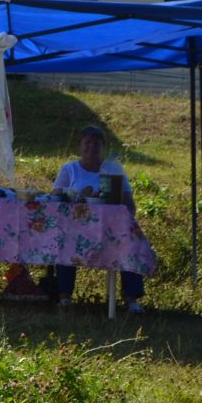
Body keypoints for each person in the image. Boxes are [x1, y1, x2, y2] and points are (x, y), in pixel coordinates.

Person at [41, 125, 145, 313]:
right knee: (65, 240)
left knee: (131, 240)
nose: (92, 147)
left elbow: (130, 206)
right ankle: (64, 296)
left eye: (97, 143)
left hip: (109, 228)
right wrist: (78, 196)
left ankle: (131, 299)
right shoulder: (69, 170)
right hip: (75, 226)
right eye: (87, 143)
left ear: (103, 147)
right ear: (79, 147)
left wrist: (117, 209)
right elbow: (54, 200)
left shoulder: (113, 169)